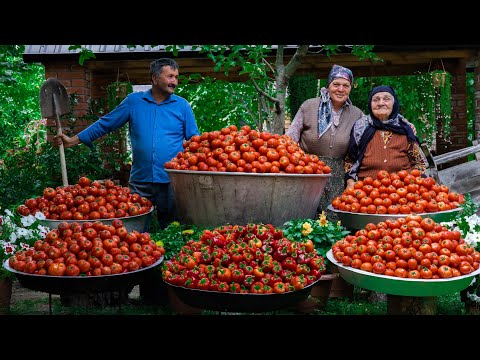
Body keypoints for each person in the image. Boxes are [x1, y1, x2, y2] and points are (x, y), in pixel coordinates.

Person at [55, 58, 200, 230]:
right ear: (154, 78)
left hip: (171, 181)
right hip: (140, 182)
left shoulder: (182, 106)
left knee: (172, 229)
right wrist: (73, 140)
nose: (174, 82)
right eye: (169, 76)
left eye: (176, 77)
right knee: (133, 231)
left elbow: (195, 142)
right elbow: (106, 123)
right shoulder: (134, 102)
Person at [286, 64, 364, 217]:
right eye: (336, 84)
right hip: (308, 172)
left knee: (334, 219)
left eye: (345, 85)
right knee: (305, 218)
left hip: (338, 176)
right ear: (328, 85)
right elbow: (290, 139)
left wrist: (404, 124)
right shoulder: (309, 106)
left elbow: (374, 129)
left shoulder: (357, 114)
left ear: (350, 88)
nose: (340, 89)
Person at [344, 85, 427, 189]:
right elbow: (350, 160)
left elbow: (418, 163)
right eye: (376, 100)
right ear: (370, 104)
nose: (381, 103)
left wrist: (421, 185)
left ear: (394, 103)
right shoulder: (360, 128)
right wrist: (350, 180)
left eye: (386, 99)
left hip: (403, 193)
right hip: (367, 193)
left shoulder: (405, 128)